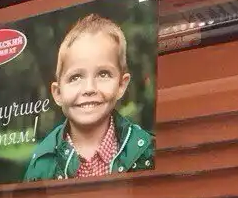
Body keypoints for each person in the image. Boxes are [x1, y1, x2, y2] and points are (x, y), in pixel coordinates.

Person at [23, 13, 154, 182]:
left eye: (103, 74)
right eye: (76, 77)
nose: (89, 88)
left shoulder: (147, 151)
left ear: (121, 85)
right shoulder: (41, 165)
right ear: (58, 93)